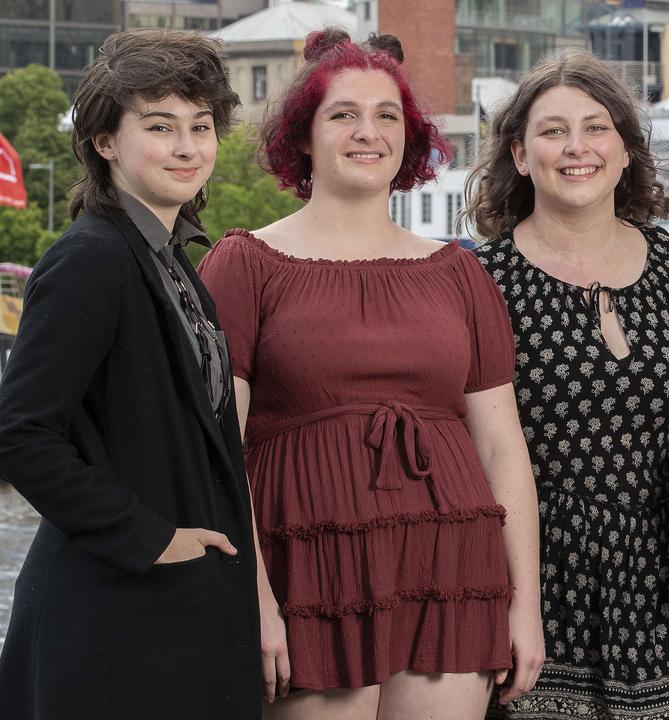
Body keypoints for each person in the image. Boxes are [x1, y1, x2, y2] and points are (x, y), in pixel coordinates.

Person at [198, 29, 542, 719]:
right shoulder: (244, 264)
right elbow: (216, 453)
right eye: (343, 114)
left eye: (387, 115)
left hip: (450, 567)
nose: (369, 132)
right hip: (309, 571)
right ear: (303, 136)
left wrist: (524, 605)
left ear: (408, 137)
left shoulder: (459, 272)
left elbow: (504, 451)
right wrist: (252, 597)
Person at [0, 29, 259, 719]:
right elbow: (21, 433)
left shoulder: (172, 265)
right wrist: (152, 541)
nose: (186, 146)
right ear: (106, 142)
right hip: (109, 621)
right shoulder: (92, 258)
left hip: (169, 620)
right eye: (160, 126)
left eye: (200, 126)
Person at [464, 49, 669, 719]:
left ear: (627, 148)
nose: (576, 147)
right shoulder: (478, 282)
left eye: (596, 126)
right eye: (552, 131)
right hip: (535, 588)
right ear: (520, 155)